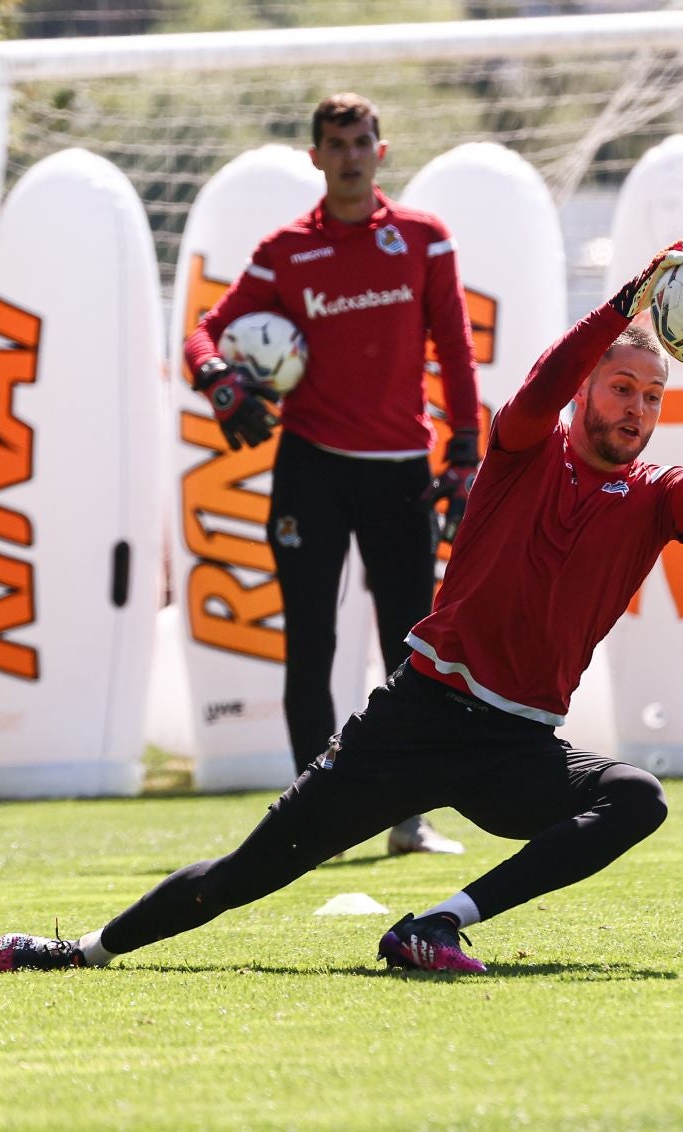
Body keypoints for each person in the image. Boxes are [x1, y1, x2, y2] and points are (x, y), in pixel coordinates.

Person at [0, 233, 683, 976]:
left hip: (516, 742)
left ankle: (436, 924)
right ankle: (78, 950)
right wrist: (627, 298)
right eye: (622, 388)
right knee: (247, 875)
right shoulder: (521, 447)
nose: (638, 411)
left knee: (635, 798)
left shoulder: (652, 499)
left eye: (654, 399)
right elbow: (545, 385)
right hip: (419, 716)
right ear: (588, 390)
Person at [184, 93, 482, 856]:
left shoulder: (424, 239)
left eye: (361, 141)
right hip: (310, 469)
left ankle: (406, 820)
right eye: (335, 144)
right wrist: (216, 377)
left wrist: (466, 450)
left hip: (401, 474)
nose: (349, 155)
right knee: (309, 645)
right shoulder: (285, 249)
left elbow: (455, 350)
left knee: (410, 654)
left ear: (381, 151)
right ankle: (310, 825)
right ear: (314, 157)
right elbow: (203, 331)